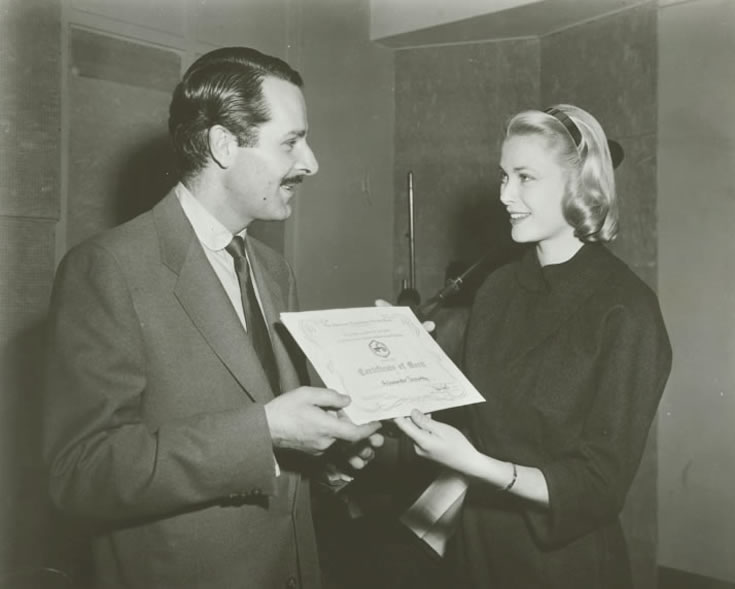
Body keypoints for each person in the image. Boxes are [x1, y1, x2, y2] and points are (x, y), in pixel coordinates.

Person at [43, 46, 383, 589]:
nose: (311, 162)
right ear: (225, 145)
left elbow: (270, 440)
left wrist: (328, 467)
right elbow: (81, 472)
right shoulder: (107, 268)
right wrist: (266, 432)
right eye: (292, 141)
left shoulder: (274, 270)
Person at [395, 104, 672, 589]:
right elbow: (475, 415)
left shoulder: (627, 310)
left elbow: (600, 486)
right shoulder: (498, 288)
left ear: (581, 185)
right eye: (503, 177)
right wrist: (401, 359)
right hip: (473, 551)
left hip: (563, 564)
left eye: (525, 178)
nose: (505, 195)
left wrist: (478, 466)